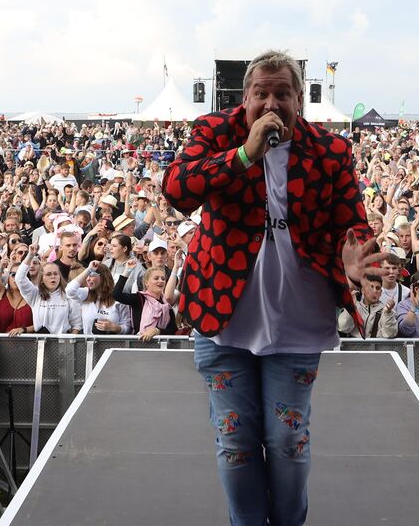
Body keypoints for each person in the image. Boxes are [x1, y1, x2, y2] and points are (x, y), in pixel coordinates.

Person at [163, 49, 381, 525]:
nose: (271, 103)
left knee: (288, 440)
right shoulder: (213, 132)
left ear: (299, 99)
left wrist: (355, 254)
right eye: (260, 93)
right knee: (235, 442)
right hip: (221, 318)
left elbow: (352, 225)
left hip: (296, 323)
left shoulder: (330, 150)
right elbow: (177, 190)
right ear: (243, 100)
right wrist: (245, 154)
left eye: (282, 93)